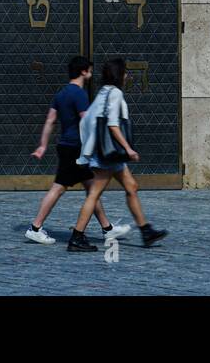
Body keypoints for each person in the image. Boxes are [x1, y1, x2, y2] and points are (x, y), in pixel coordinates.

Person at [25, 55, 130, 245]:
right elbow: (86, 120)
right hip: (76, 148)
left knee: (92, 189)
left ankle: (108, 228)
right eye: (89, 69)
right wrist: (98, 144)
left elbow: (50, 120)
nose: (91, 73)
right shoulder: (79, 94)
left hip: (66, 146)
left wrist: (42, 145)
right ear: (83, 71)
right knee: (59, 189)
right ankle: (35, 227)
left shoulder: (61, 94)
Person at [67, 57, 168, 252]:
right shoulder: (114, 94)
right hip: (109, 154)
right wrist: (128, 149)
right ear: (119, 75)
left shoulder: (103, 93)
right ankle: (76, 237)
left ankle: (146, 231)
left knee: (131, 186)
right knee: (94, 194)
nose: (127, 75)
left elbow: (88, 121)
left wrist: (88, 149)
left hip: (108, 153)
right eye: (125, 72)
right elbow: (112, 125)